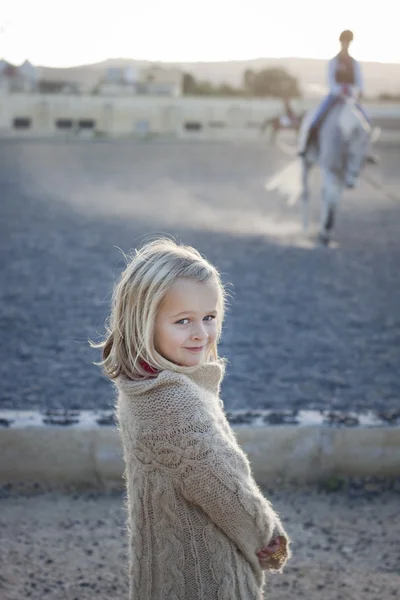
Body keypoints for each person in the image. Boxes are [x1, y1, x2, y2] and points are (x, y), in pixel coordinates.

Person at [95, 238, 291, 599]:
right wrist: (270, 540)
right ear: (143, 322)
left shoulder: (140, 385)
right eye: (183, 321)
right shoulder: (176, 405)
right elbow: (226, 491)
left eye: (209, 317)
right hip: (207, 580)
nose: (201, 333)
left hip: (161, 578)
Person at [299, 29, 372, 156]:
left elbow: (359, 82)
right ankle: (307, 146)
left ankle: (366, 152)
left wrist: (353, 91)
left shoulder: (354, 63)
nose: (346, 44)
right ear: (341, 42)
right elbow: (331, 82)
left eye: (348, 42)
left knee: (366, 122)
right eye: (344, 41)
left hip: (350, 98)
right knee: (316, 118)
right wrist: (340, 89)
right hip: (334, 97)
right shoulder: (334, 62)